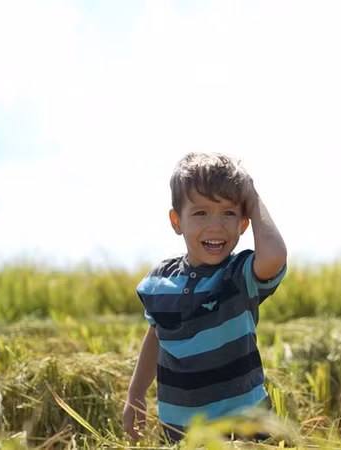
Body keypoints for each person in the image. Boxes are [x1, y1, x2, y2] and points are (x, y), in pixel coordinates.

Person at [121, 151, 287, 443]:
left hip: (244, 431)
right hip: (182, 434)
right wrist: (135, 393)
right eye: (200, 213)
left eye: (228, 213)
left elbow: (274, 257)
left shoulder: (238, 276)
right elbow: (157, 335)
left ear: (244, 223)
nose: (216, 226)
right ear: (176, 221)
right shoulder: (160, 280)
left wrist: (251, 193)